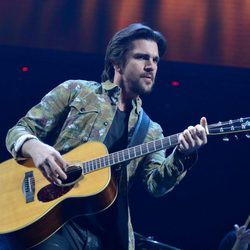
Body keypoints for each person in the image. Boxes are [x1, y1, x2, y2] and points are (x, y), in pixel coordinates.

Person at [5, 23, 208, 250]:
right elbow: (19, 130)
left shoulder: (151, 130)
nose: (151, 66)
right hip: (55, 223)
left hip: (106, 237)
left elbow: (156, 186)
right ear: (117, 63)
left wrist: (181, 154)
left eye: (155, 60)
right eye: (142, 57)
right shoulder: (77, 91)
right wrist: (35, 148)